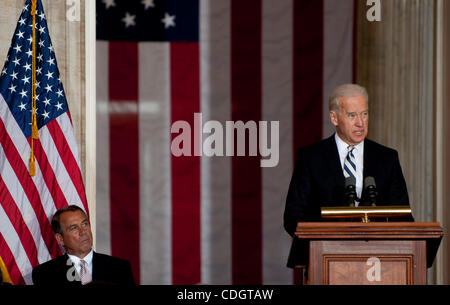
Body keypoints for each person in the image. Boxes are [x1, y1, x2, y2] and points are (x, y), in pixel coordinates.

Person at [283, 84, 413, 267]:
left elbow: (403, 216)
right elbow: (293, 216)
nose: (360, 122)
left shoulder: (387, 158)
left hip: (379, 264)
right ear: (334, 117)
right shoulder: (311, 158)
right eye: (352, 115)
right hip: (326, 261)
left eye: (364, 114)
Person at [32, 205, 135, 285]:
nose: (83, 232)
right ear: (60, 239)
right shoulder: (44, 274)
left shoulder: (120, 268)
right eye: (74, 228)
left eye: (85, 224)